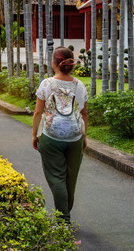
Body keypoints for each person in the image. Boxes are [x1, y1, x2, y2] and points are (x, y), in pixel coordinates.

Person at [32, 46, 88, 224]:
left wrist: (35, 134)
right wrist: (84, 137)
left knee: (57, 177)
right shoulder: (79, 85)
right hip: (75, 137)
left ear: (55, 63)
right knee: (70, 178)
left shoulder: (47, 84)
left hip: (51, 136)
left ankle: (63, 219)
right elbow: (84, 114)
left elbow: (37, 113)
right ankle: (64, 214)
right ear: (71, 65)